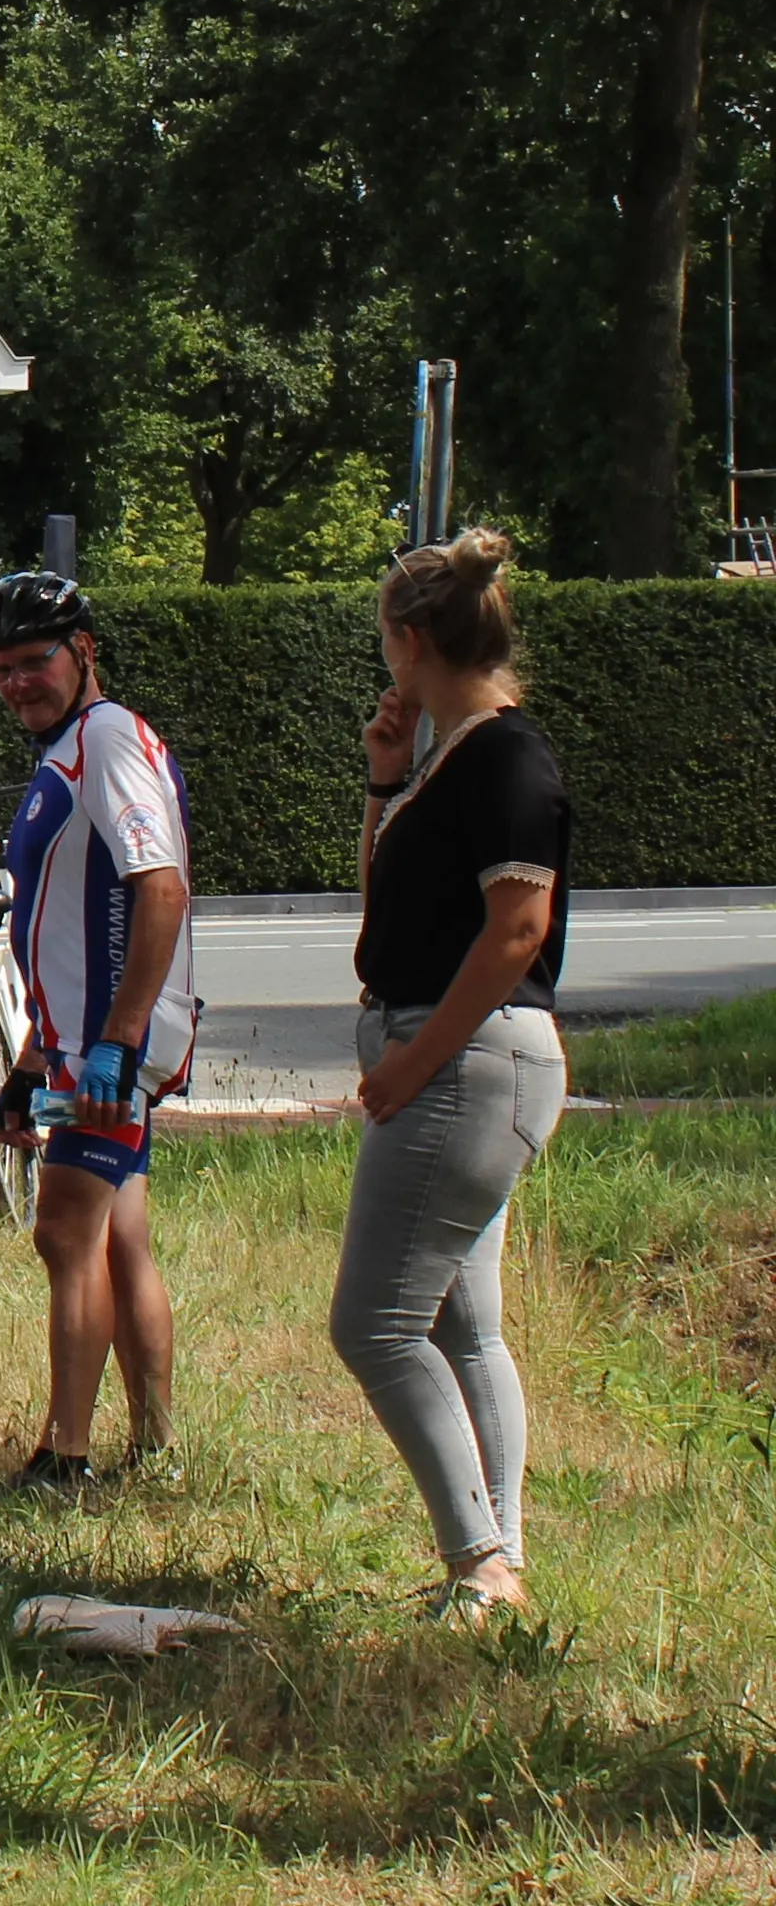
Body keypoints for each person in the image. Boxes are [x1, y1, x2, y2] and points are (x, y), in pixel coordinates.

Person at [332, 530, 567, 1621]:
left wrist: (413, 1062)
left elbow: (516, 934)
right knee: (462, 1325)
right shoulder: (452, 754)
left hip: (470, 1062)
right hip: (456, 1056)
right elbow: (389, 915)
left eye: (386, 643)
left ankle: (478, 1557)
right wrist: (384, 784)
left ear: (413, 639)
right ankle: (499, 1562)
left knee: (374, 1322)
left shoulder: (510, 760)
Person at [0, 572, 197, 1489]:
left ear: (85, 652)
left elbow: (161, 884)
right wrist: (32, 1059)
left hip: (114, 1047)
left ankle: (67, 1457)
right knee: (118, 1236)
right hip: (81, 1043)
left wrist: (118, 1039)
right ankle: (157, 1446)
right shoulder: (69, 748)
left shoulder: (104, 740)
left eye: (37, 661)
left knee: (65, 1230)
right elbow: (64, 922)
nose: (20, 681)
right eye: (2, 669)